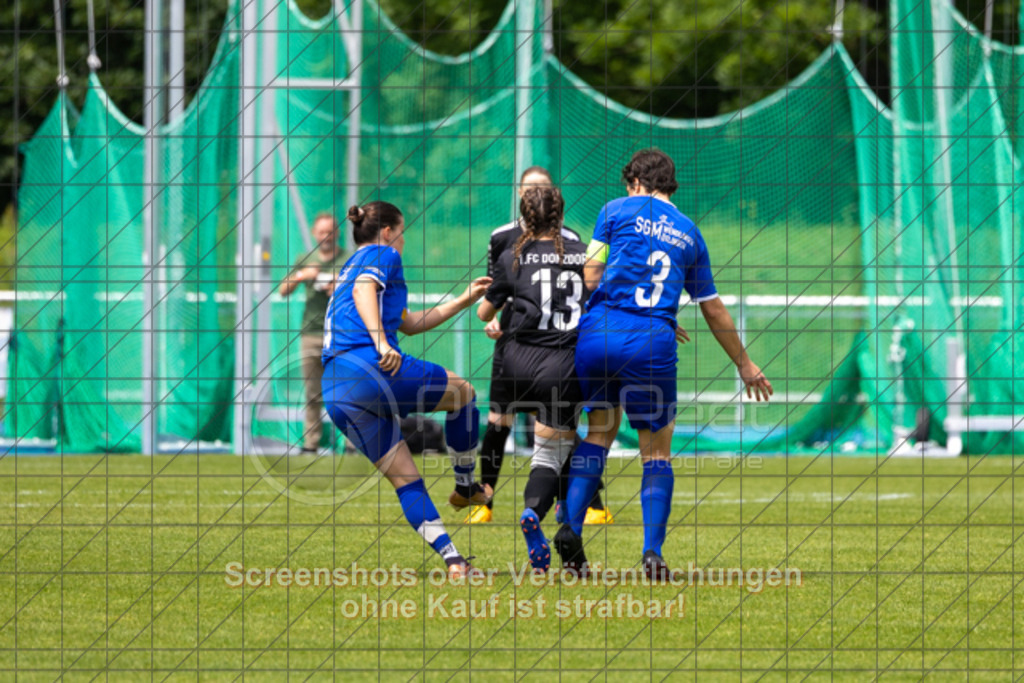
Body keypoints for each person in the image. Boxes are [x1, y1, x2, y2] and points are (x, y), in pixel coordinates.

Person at [555, 149, 774, 579]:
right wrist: (745, 364)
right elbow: (712, 308)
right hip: (651, 341)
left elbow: (592, 276)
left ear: (636, 181)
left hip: (599, 335)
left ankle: (571, 527)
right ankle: (652, 554)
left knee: (598, 434)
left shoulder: (613, 211)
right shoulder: (689, 233)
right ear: (669, 184)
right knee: (656, 452)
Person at [321, 201, 492, 579]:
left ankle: (454, 561)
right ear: (387, 231)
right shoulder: (381, 254)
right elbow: (365, 289)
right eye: (401, 232)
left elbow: (410, 323)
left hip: (335, 388)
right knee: (463, 394)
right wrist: (381, 342)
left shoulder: (350, 266)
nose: (402, 241)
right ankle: (466, 487)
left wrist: (463, 300)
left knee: (406, 481)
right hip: (370, 368)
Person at [468, 166, 612, 526]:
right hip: (558, 356)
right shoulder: (579, 251)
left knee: (546, 434)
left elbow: (487, 306)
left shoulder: (519, 253)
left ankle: (583, 504)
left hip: (518, 355)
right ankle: (526, 506)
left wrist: (483, 304)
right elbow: (597, 297)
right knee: (545, 438)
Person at [476, 185, 588, 572]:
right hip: (561, 363)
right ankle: (539, 513)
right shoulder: (583, 254)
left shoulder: (512, 255)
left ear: (525, 218)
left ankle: (529, 511)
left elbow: (484, 313)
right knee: (553, 454)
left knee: (514, 431)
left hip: (515, 363)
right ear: (561, 215)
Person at [278, 213, 347, 454]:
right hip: (311, 333)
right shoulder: (305, 260)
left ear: (337, 233)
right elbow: (282, 290)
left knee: (346, 391)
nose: (326, 236)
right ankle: (311, 444)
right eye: (321, 232)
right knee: (312, 393)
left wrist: (341, 286)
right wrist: (301, 276)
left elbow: (364, 289)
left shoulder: (348, 259)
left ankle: (351, 444)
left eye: (330, 231)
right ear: (314, 234)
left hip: (342, 334)